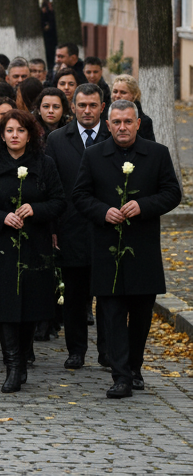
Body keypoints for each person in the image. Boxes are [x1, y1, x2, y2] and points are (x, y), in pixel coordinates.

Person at [72, 99, 182, 398]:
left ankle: (135, 367)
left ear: (137, 123)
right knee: (112, 313)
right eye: (116, 122)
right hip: (107, 247)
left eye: (127, 122)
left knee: (141, 313)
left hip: (142, 246)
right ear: (108, 125)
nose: (122, 127)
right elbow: (80, 195)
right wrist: (102, 211)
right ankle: (119, 375)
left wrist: (144, 206)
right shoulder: (94, 155)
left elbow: (173, 192)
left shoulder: (157, 153)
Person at [0, 110, 66, 393]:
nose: (15, 136)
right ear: (1, 135)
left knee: (30, 307)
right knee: (6, 307)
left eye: (21, 130)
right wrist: (1, 217)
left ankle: (23, 359)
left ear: (30, 134)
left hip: (34, 244)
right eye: (9, 130)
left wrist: (36, 209)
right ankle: (12, 366)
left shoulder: (44, 163)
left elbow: (59, 201)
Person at [45, 83, 109, 371]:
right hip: (70, 228)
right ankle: (76, 350)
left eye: (92, 105)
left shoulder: (114, 136)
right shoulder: (58, 139)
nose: (87, 110)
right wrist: (53, 227)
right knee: (74, 294)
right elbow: (50, 187)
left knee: (108, 295)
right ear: (72, 107)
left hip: (107, 226)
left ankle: (108, 351)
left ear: (102, 107)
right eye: (81, 105)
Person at [110, 74, 156, 142]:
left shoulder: (144, 122)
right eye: (115, 91)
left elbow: (150, 149)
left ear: (134, 95)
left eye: (123, 92)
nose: (117, 95)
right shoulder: (105, 118)